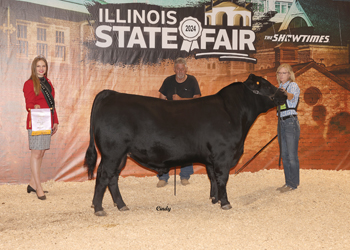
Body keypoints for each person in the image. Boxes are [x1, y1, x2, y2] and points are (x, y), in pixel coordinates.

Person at [157, 57, 201, 188]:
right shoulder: (168, 81)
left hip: (188, 120)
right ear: (174, 69)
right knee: (164, 147)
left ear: (186, 69)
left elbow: (197, 98)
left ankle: (185, 176)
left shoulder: (192, 80)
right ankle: (163, 177)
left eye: (183, 68)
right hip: (169, 120)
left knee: (187, 147)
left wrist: (181, 100)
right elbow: (161, 97)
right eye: (178, 68)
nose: (180, 70)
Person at [23, 56, 59, 200]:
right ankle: (38, 187)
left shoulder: (48, 82)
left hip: (47, 121)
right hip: (36, 121)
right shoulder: (29, 83)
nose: (41, 69)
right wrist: (34, 107)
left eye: (43, 66)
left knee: (41, 153)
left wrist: (55, 120)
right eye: (38, 66)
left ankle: (32, 183)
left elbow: (52, 105)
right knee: (36, 154)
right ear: (34, 68)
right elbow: (28, 104)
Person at [275, 63, 300, 193]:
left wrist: (284, 93)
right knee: (284, 154)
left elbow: (292, 97)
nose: (281, 75)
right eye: (279, 73)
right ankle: (287, 182)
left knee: (291, 155)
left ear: (289, 74)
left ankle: (293, 184)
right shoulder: (279, 87)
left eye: (284, 73)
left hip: (290, 121)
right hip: (281, 121)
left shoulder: (293, 85)